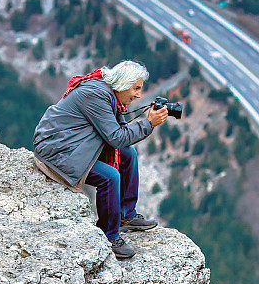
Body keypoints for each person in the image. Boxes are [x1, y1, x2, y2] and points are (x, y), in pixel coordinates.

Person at [32, 60, 168, 259]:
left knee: (128, 154)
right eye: (136, 88)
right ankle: (109, 235)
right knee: (110, 176)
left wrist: (146, 123)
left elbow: (119, 136)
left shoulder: (107, 93)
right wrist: (148, 123)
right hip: (57, 149)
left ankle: (126, 215)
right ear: (122, 84)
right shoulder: (95, 95)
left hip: (75, 141)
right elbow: (117, 137)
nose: (139, 94)